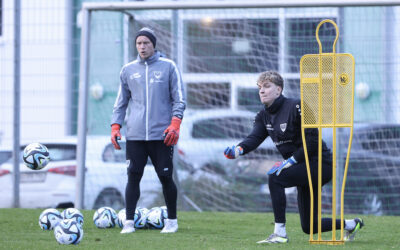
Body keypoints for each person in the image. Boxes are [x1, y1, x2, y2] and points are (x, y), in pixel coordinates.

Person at [224, 71, 363, 244]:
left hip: (320, 164)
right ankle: (351, 224)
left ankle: (280, 233)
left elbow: (312, 141)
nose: (262, 91)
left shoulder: (297, 106)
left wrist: (291, 160)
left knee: (275, 177)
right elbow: (254, 138)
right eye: (260, 87)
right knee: (309, 227)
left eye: (267, 86)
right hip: (300, 166)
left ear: (279, 90)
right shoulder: (263, 116)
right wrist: (238, 150)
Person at [111, 27, 186, 234]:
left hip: (161, 136)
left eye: (146, 43)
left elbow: (179, 99)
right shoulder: (127, 70)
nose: (142, 47)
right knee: (133, 176)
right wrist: (115, 127)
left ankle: (171, 221)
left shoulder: (168, 67)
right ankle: (128, 222)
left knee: (165, 177)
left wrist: (175, 124)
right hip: (135, 136)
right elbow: (120, 103)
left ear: (154, 45)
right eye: (139, 43)